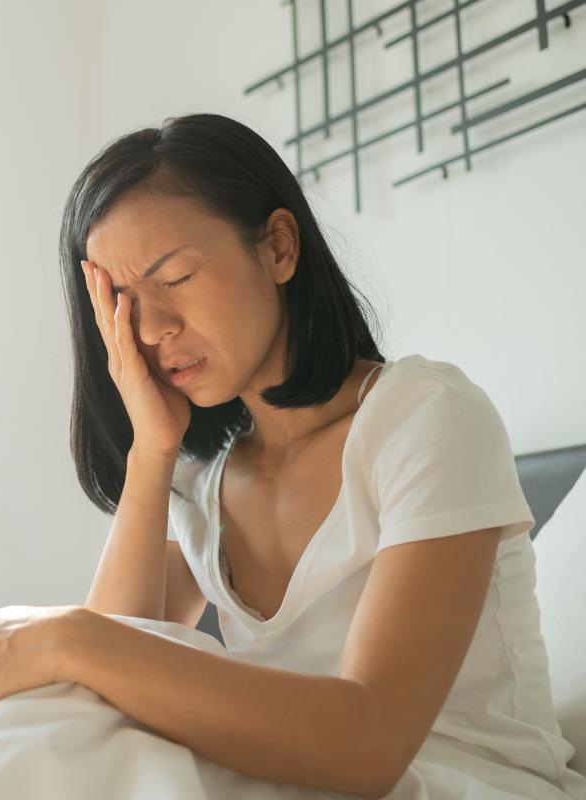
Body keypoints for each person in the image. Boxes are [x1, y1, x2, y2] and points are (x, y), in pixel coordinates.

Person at [49, 112, 586, 797]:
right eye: (122, 302)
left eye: (176, 277)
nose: (152, 329)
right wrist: (153, 451)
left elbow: (370, 744)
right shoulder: (200, 483)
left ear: (277, 247)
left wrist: (65, 640)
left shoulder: (426, 419)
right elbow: (103, 696)